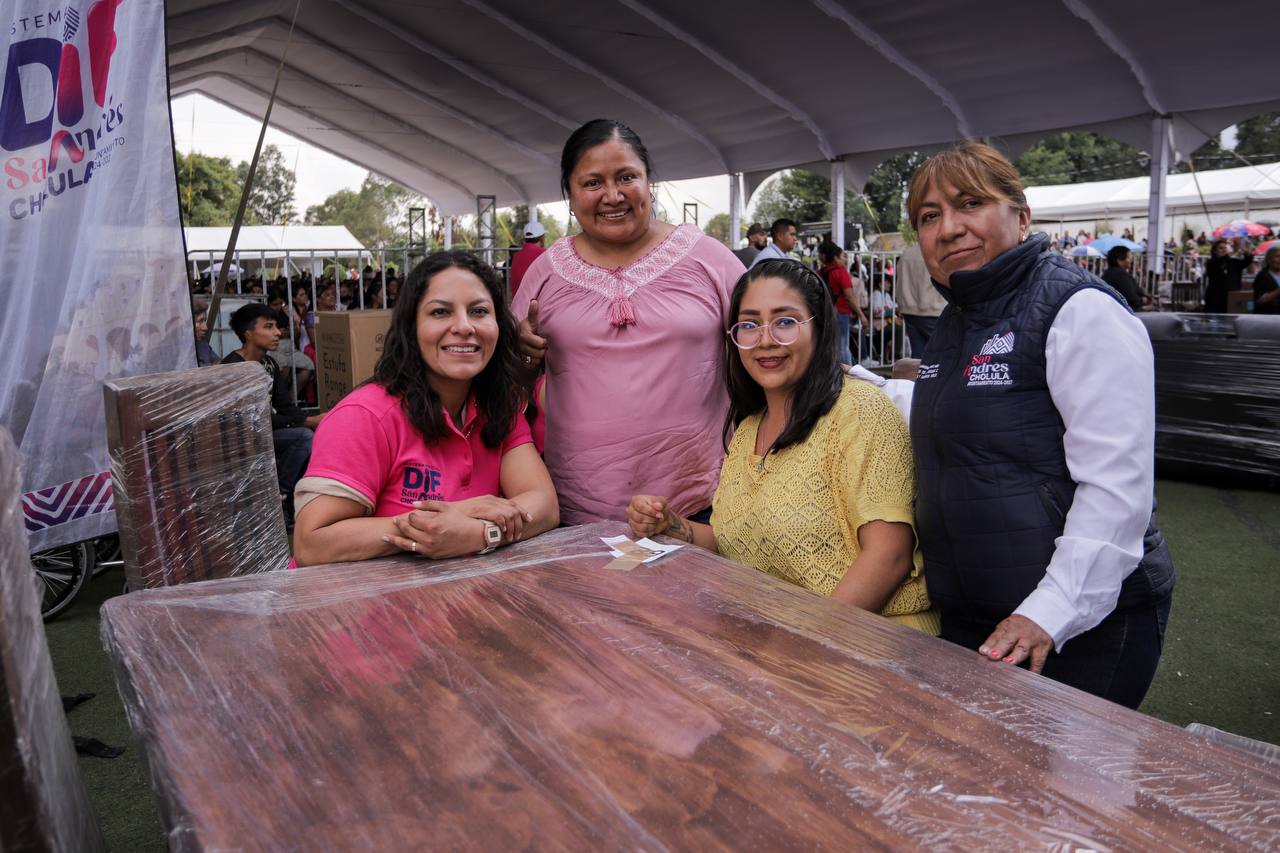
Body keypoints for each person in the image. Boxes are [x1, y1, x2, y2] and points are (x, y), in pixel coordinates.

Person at [905, 142, 1174, 709]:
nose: (949, 228)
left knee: (1061, 792)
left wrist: (1048, 612)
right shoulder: (958, 319)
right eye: (929, 216)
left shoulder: (1080, 311)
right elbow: (967, 418)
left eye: (969, 203)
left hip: (1073, 625)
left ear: (1021, 217)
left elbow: (1117, 489)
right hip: (982, 614)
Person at [626, 260, 937, 633]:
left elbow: (889, 557)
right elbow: (735, 539)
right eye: (750, 324)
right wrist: (672, 526)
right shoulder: (749, 428)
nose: (766, 339)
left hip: (873, 641)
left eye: (785, 321)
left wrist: (799, 645)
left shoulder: (858, 411)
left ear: (819, 330)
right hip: (778, 637)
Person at [511, 118, 745, 524]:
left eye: (626, 177)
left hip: (701, 505)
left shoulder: (709, 259)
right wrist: (520, 356)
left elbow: (763, 346)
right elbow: (505, 377)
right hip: (577, 510)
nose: (612, 196)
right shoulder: (545, 273)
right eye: (592, 183)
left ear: (648, 183)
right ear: (569, 195)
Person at [292, 251, 559, 567]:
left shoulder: (498, 403)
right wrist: (452, 516)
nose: (464, 326)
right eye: (440, 312)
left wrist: (479, 533)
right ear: (410, 327)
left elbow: (543, 504)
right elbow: (313, 543)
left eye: (478, 311)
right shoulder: (364, 416)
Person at [220, 304, 323, 520]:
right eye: (269, 327)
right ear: (248, 333)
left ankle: (297, 502)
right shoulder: (232, 367)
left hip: (266, 432)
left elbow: (285, 405)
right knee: (304, 437)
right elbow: (247, 420)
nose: (278, 332)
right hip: (242, 438)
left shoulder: (269, 364)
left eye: (276, 326)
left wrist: (308, 419)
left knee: (314, 438)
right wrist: (305, 421)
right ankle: (278, 496)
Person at [895, 242, 946, 357]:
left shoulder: (906, 254)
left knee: (918, 353)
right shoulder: (936, 253)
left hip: (908, 309)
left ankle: (919, 375)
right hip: (933, 309)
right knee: (941, 353)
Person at [816, 241, 862, 365]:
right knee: (843, 346)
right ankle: (848, 378)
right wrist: (861, 315)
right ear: (835, 257)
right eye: (843, 256)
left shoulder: (819, 273)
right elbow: (849, 296)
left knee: (830, 346)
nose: (845, 260)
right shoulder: (841, 272)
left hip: (825, 313)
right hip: (840, 313)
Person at [1204, 239, 1252, 313]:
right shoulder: (1211, 262)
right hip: (1216, 298)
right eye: (1221, 248)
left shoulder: (1233, 261)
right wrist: (1234, 251)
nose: (1224, 250)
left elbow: (1246, 262)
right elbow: (1219, 265)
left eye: (1225, 248)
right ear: (1215, 251)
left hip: (1232, 297)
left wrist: (1246, 252)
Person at [509, 221, 547, 297]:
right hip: (536, 305)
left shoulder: (516, 256)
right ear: (542, 238)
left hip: (518, 303)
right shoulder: (545, 254)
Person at [1101, 246, 1145, 311]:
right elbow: (1132, 298)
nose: (1131, 260)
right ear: (1119, 260)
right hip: (1126, 311)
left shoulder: (1108, 273)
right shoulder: (1120, 274)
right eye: (1128, 257)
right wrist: (1143, 300)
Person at [1254, 246, 1280, 315]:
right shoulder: (1262, 276)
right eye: (1277, 256)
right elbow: (1261, 300)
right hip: (1269, 317)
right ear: (1269, 260)